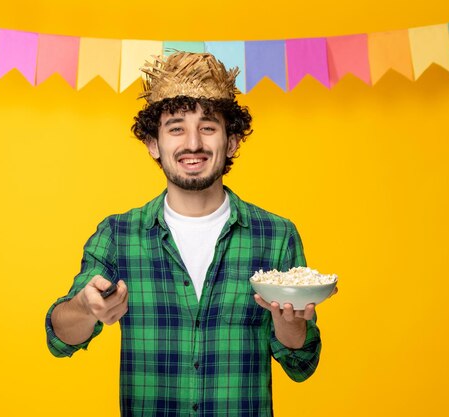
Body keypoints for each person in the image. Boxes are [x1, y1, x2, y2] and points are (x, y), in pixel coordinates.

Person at [45, 52, 333, 417]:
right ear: (154, 143)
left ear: (231, 142)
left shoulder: (276, 236)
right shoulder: (118, 234)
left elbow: (302, 364)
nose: (193, 143)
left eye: (208, 127)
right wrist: (86, 308)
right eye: (176, 127)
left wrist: (290, 326)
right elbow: (60, 338)